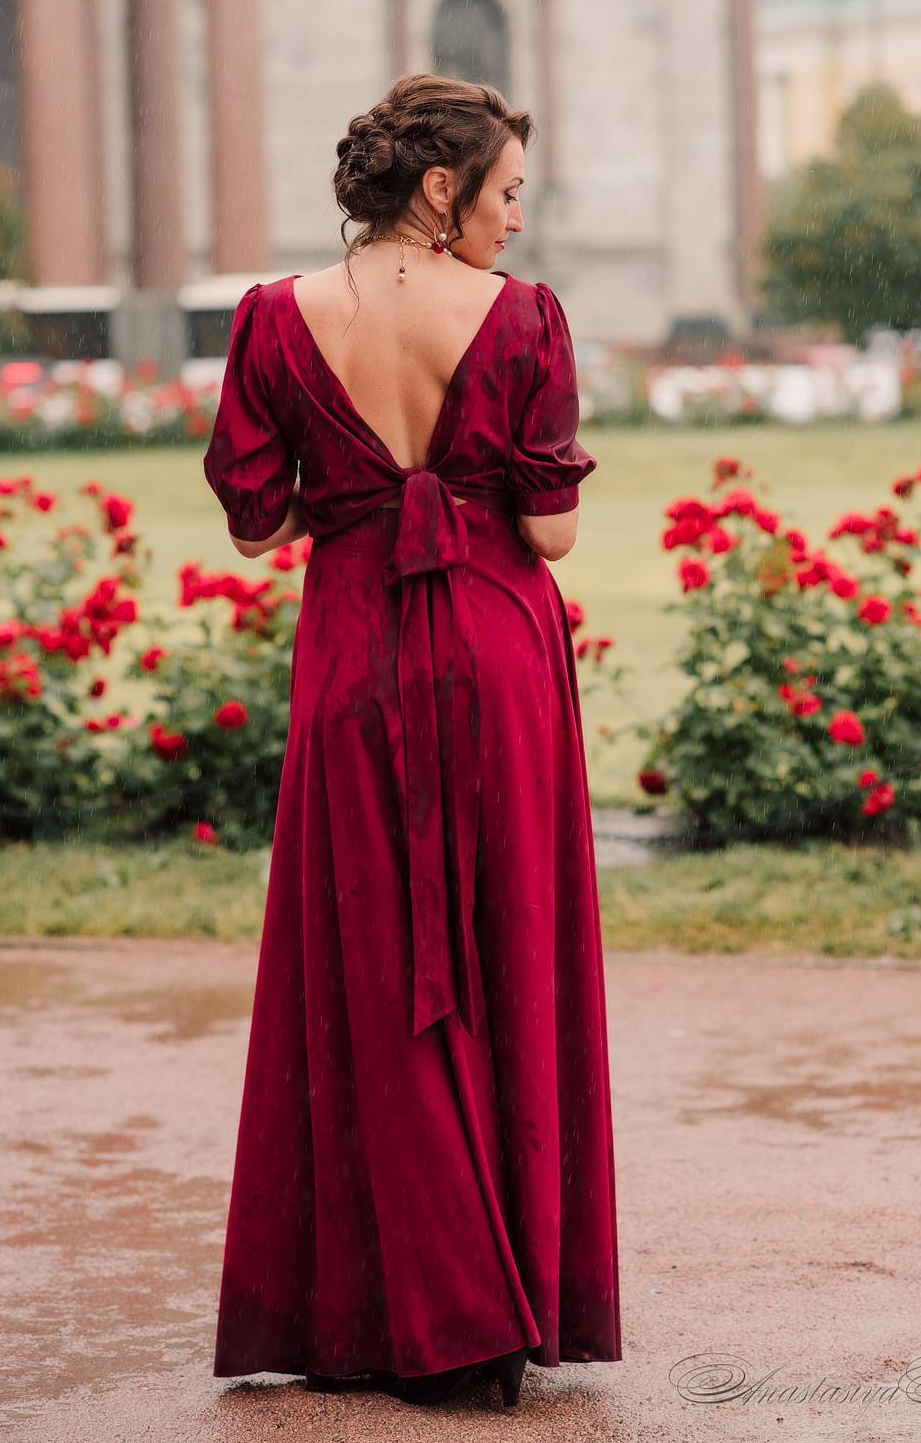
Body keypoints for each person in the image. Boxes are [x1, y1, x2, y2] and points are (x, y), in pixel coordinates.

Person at [204, 74, 622, 1410]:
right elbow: (551, 532)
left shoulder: (276, 318)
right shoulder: (520, 319)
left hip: (351, 655)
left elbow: (260, 527)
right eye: (504, 191)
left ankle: (407, 1309)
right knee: (508, 957)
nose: (513, 217)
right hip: (493, 654)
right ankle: (494, 1311)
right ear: (441, 190)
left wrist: (360, 478)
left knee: (371, 974)